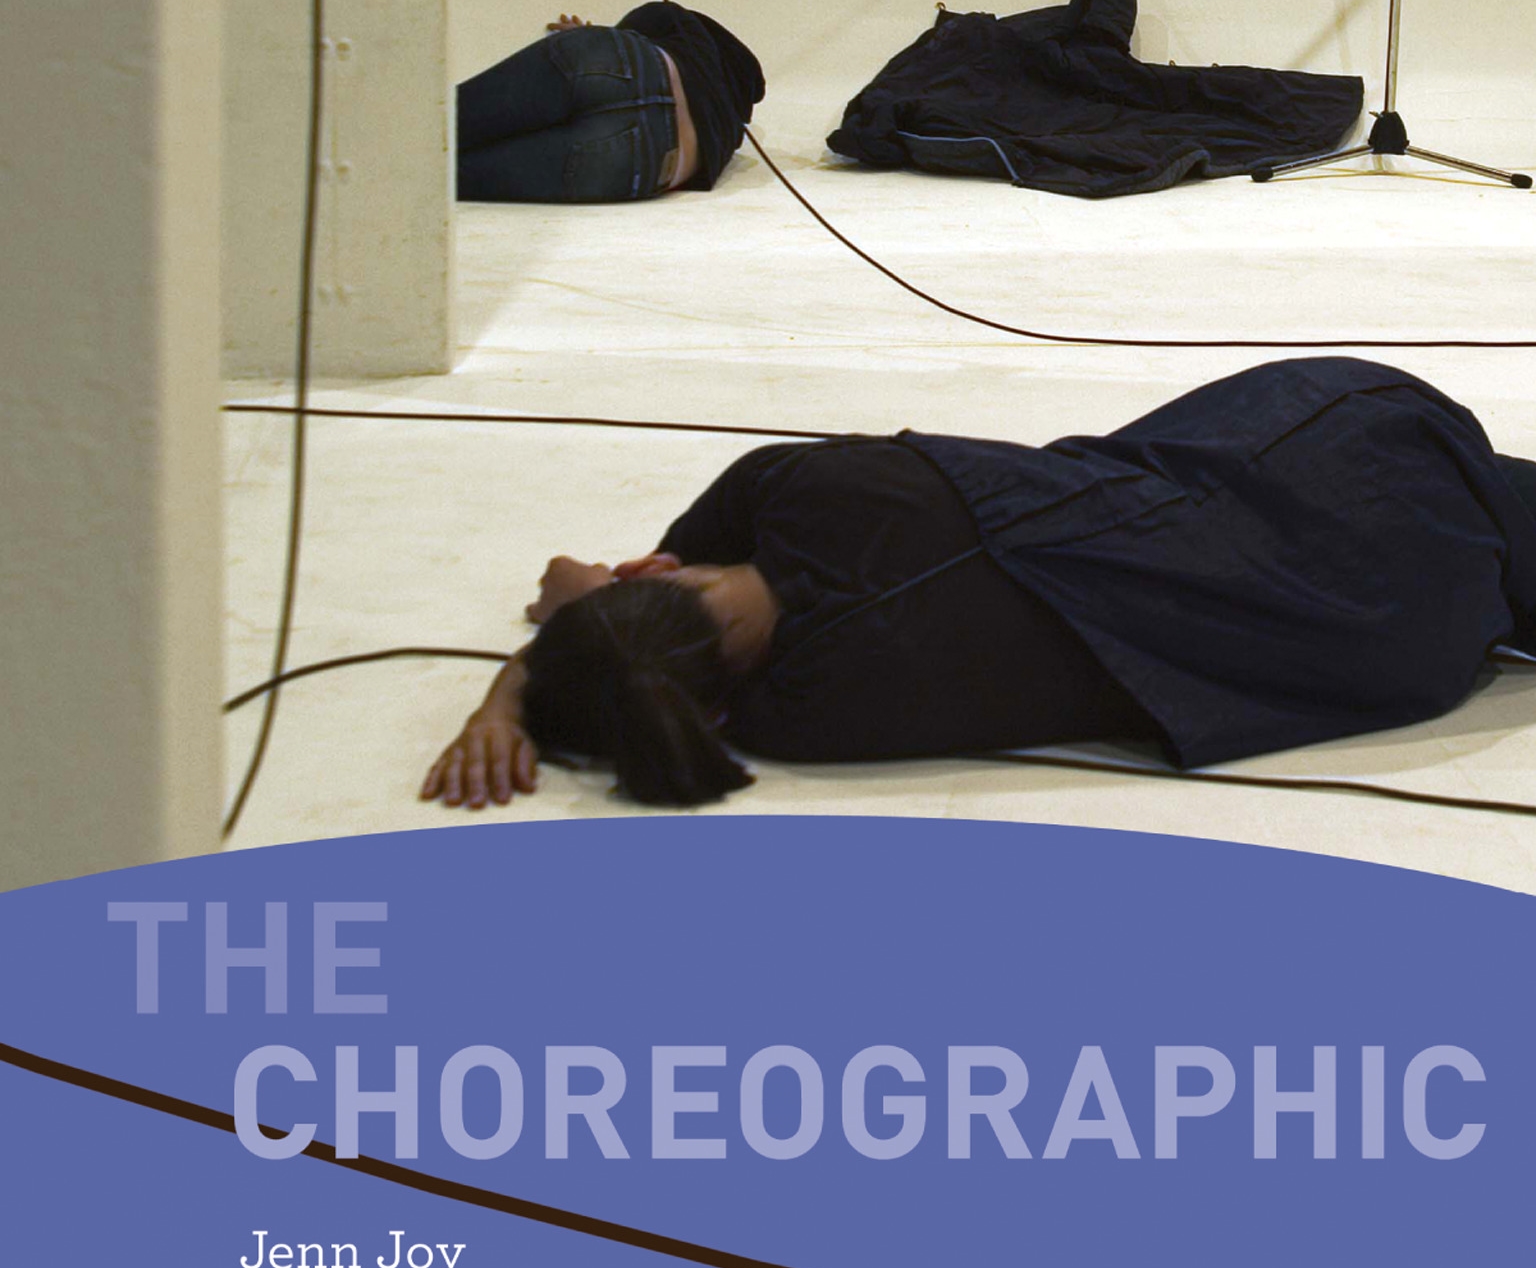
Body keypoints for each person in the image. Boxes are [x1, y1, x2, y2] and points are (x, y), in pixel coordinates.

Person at [420, 357, 1536, 810]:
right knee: (1163, 490)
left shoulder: (809, 720)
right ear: (659, 570)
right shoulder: (802, 487)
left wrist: (514, 703)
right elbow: (576, 590)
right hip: (1347, 469)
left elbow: (636, 666)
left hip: (1382, 647)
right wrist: (539, 648)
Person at [455, 3, 765, 204]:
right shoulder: (725, 137)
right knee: (445, 175)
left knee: (445, 125)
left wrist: (593, 34)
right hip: (644, 160)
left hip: (620, 63)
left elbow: (647, 17)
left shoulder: (690, 30)